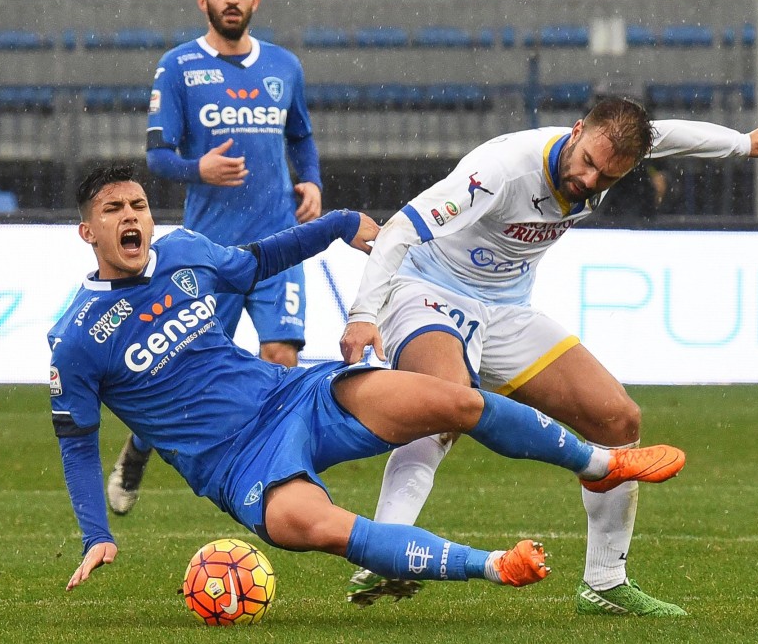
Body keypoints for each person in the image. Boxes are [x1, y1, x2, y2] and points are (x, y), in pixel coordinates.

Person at [50, 164, 689, 597]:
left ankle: (599, 462)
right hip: (234, 465)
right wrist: (97, 534)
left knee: (455, 402)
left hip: (292, 393)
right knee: (321, 529)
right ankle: (495, 566)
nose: (131, 216)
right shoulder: (76, 337)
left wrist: (337, 224)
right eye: (113, 209)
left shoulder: (185, 251)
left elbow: (259, 261)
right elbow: (77, 440)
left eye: (137, 204)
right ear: (88, 231)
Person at [338, 97, 758, 615]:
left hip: (506, 309)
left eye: (607, 176)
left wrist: (743, 143)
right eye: (586, 161)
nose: (589, 180)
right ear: (577, 129)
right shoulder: (501, 170)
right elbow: (402, 230)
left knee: (618, 417)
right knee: (445, 406)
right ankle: (384, 554)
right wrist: (363, 314)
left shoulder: (614, 149)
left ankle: (604, 583)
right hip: (426, 290)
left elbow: (669, 133)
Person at [108, 0, 324, 514]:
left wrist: (312, 184)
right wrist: (196, 169)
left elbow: (300, 137)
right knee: (183, 375)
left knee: (280, 358)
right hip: (209, 254)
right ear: (203, 1)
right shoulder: (179, 67)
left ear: (256, 0)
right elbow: (156, 156)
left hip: (277, 246)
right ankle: (138, 450)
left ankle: (278, 474)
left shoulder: (284, 67)